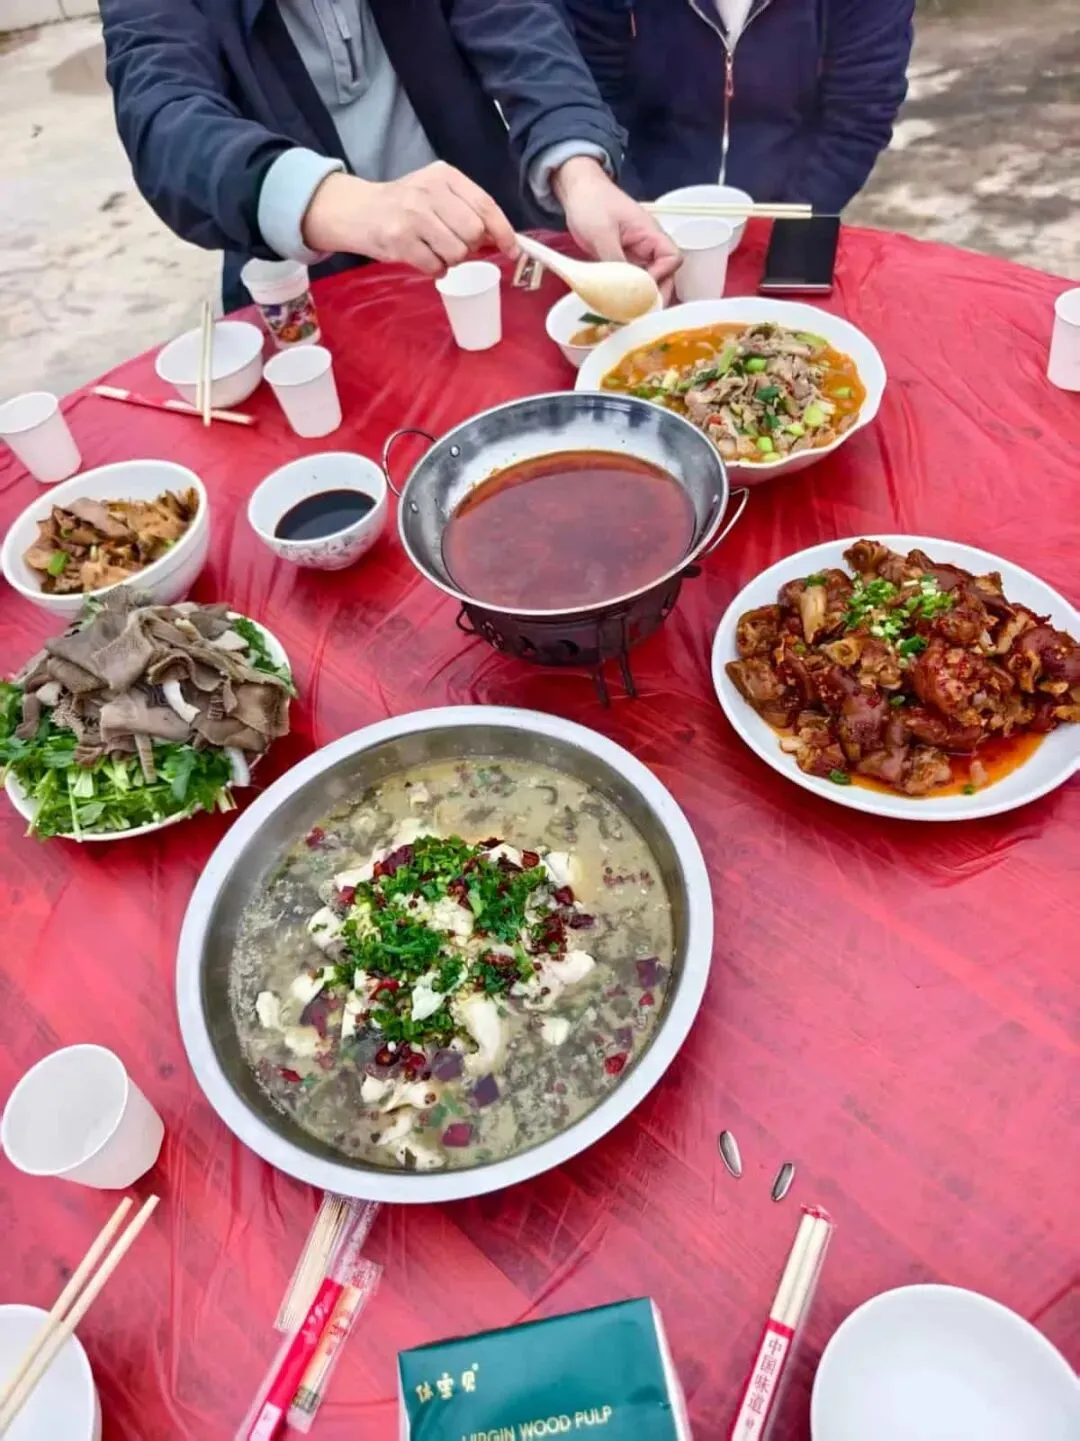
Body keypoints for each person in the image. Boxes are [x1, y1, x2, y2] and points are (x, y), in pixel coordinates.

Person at [99, 0, 679, 311]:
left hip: (480, 256)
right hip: (306, 293)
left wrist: (578, 172)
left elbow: (520, 29)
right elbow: (163, 118)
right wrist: (339, 204)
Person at [561, 0, 915, 213]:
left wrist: (788, 226)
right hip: (642, 206)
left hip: (795, 207)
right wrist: (635, 212)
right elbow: (596, 98)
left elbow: (858, 117)